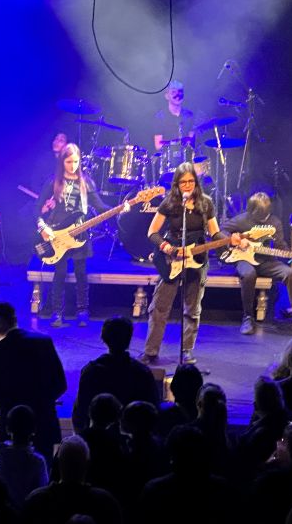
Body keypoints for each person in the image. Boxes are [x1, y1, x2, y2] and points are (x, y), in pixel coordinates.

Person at [141, 163, 241, 365]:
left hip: (197, 259)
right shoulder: (169, 203)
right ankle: (151, 351)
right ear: (176, 184)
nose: (187, 185)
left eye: (191, 181)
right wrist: (166, 247)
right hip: (173, 258)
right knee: (159, 307)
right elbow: (152, 232)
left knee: (193, 308)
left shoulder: (206, 203)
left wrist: (229, 240)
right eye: (183, 182)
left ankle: (187, 350)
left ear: (196, 182)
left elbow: (214, 233)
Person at [37, 143, 121, 328]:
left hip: (80, 234)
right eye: (69, 162)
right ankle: (57, 312)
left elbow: (100, 207)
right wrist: (42, 228)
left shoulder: (86, 182)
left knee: (81, 273)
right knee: (59, 273)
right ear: (62, 162)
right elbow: (37, 211)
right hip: (57, 234)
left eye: (76, 162)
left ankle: (82, 311)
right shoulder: (53, 182)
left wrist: (121, 208)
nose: (73, 166)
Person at [222, 192, 292, 337]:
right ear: (251, 210)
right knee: (248, 274)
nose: (263, 219)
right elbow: (220, 230)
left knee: (290, 273)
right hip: (244, 259)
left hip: (266, 261)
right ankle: (248, 317)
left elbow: (281, 246)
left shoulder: (274, 222)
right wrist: (235, 239)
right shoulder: (242, 220)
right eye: (259, 215)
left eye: (265, 215)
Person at [0, 302, 67, 462]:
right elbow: (60, 383)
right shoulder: (44, 342)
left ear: (0, 321)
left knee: (11, 469)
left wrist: (8, 407)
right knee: (44, 466)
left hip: (11, 424)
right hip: (44, 420)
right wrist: (44, 403)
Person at [72, 316, 160, 433]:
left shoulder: (91, 371)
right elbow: (154, 407)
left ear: (103, 338)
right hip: (132, 436)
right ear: (129, 339)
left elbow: (81, 410)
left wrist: (82, 437)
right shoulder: (142, 372)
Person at [151, 81, 197, 151]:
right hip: (168, 155)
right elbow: (158, 145)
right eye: (173, 92)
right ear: (167, 96)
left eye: (180, 92)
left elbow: (191, 142)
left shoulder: (189, 115)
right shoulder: (160, 117)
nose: (178, 95)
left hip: (186, 155)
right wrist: (175, 146)